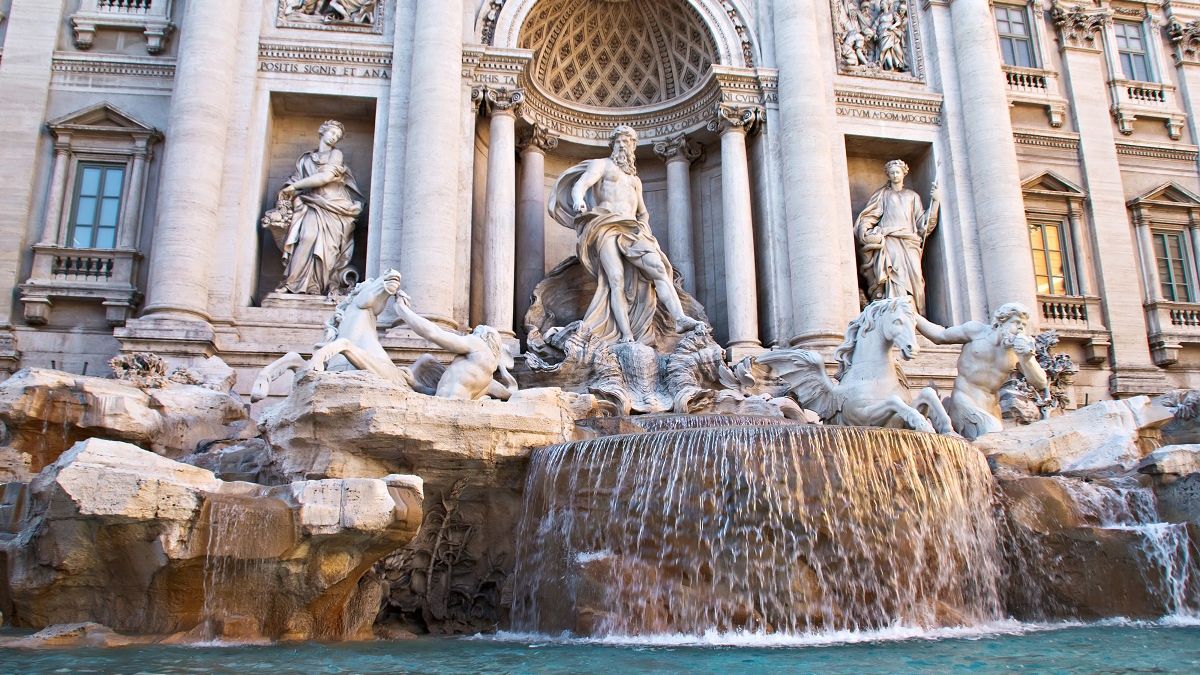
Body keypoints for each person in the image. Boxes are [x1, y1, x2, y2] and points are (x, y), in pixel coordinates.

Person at [548, 125, 703, 345]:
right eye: (619, 141)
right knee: (616, 280)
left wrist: (645, 230)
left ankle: (679, 319)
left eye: (627, 142)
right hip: (606, 226)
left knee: (659, 269)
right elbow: (581, 185)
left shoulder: (635, 181)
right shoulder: (601, 165)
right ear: (613, 145)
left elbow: (643, 212)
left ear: (633, 147)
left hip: (632, 229)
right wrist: (578, 200)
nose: (623, 145)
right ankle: (626, 334)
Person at [916, 303, 1049, 440]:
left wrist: (1027, 359)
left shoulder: (1017, 352)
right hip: (964, 401)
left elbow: (1040, 383)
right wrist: (913, 315)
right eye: (1016, 322)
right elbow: (939, 335)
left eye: (1024, 325)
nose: (1021, 328)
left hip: (992, 409)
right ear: (1000, 322)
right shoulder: (976, 331)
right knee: (992, 434)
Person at [275, 120, 363, 296]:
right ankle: (292, 283)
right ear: (322, 131)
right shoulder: (306, 159)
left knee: (329, 249)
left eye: (338, 136)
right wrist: (289, 191)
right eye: (332, 133)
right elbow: (295, 180)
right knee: (306, 237)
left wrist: (294, 187)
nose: (334, 138)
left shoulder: (336, 154)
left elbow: (325, 177)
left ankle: (316, 286)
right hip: (311, 203)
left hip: (335, 207)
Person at [394, 290, 518, 401]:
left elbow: (434, 333)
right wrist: (415, 384)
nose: (470, 335)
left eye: (475, 332)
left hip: (444, 409)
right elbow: (447, 395)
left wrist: (402, 310)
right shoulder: (487, 381)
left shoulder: (478, 344)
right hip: (447, 408)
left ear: (485, 336)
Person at [853, 159, 939, 315]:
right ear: (888, 174)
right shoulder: (882, 195)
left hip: (909, 242)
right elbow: (869, 216)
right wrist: (865, 231)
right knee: (893, 275)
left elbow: (923, 225)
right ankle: (894, 314)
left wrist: (935, 202)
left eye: (897, 172)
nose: (894, 175)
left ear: (904, 173)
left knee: (915, 279)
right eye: (891, 172)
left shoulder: (912, 196)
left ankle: (914, 315)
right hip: (890, 240)